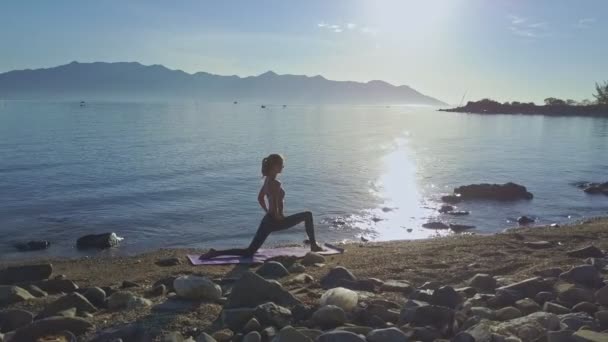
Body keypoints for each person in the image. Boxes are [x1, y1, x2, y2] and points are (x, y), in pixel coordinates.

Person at [200, 154, 323, 259]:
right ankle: (313, 245)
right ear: (275, 166)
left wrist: (268, 212)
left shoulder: (267, 180)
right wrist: (278, 215)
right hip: (275, 220)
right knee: (308, 215)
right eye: (281, 164)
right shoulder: (275, 183)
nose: (283, 167)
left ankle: (215, 253)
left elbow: (260, 198)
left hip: (267, 220)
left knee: (249, 252)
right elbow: (274, 201)